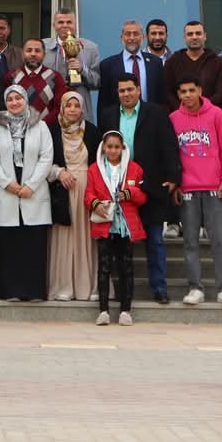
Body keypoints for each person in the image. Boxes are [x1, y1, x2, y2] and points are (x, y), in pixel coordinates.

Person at [99, 74, 181, 306]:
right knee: (119, 243)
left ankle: (159, 288)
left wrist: (173, 177)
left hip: (150, 186)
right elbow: (101, 150)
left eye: (130, 89)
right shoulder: (108, 115)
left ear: (138, 90)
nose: (126, 94)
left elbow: (169, 145)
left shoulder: (156, 113)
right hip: (117, 188)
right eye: (121, 90)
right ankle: (123, 292)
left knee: (154, 240)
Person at [170, 77, 222, 307]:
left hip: (214, 188)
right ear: (178, 94)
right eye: (183, 91)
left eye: (192, 90)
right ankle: (195, 287)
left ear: (200, 90)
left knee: (219, 240)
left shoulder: (217, 114)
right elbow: (172, 155)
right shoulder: (173, 119)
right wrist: (176, 184)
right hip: (187, 189)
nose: (188, 95)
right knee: (190, 241)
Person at [0, 85, 53, 301]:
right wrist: (7, 184)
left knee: (32, 246)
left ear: (26, 100)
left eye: (18, 98)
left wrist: (31, 185)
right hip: (5, 193)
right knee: (8, 246)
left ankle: (33, 291)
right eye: (10, 99)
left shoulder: (40, 126)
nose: (14, 102)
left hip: (33, 193)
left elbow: (46, 157)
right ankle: (9, 291)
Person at [87, 130, 148, 326]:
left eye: (116, 147)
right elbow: (88, 194)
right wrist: (96, 203)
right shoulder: (94, 169)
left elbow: (143, 197)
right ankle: (103, 310)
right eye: (109, 147)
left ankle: (125, 310)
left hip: (125, 226)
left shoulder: (135, 169)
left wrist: (130, 193)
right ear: (103, 148)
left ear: (122, 148)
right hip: (105, 224)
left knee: (126, 267)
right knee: (104, 267)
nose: (113, 150)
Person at [47, 90, 101, 301]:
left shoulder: (93, 131)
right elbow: (42, 160)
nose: (72, 109)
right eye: (68, 105)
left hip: (87, 190)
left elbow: (99, 163)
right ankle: (64, 286)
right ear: (61, 107)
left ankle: (87, 287)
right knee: (64, 236)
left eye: (77, 106)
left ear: (82, 109)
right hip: (62, 191)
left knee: (86, 237)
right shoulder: (52, 131)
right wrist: (59, 172)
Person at [97, 20, 169, 128]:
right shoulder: (108, 65)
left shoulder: (155, 63)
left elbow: (161, 98)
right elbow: (104, 103)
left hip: (151, 122)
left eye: (135, 34)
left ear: (142, 37)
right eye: (128, 34)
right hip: (120, 123)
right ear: (121, 37)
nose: (131, 38)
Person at [163, 20, 222, 108]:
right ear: (184, 37)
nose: (194, 37)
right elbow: (168, 91)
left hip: (209, 112)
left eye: (198, 33)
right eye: (190, 34)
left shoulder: (217, 62)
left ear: (205, 36)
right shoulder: (172, 61)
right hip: (180, 113)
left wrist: (203, 108)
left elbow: (221, 92)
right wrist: (183, 110)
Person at [43, 10, 101, 100]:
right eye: (60, 22)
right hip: (51, 103)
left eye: (69, 22)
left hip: (79, 105)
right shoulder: (43, 47)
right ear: (54, 25)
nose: (65, 25)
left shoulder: (90, 48)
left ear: (75, 25)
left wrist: (82, 70)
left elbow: (97, 83)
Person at [11, 38, 69, 125]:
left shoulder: (56, 77)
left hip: (47, 129)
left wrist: (41, 125)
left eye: (37, 51)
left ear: (44, 55)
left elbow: (60, 107)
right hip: (18, 129)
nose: (33, 54)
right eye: (29, 50)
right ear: (22, 53)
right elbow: (6, 106)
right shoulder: (11, 77)